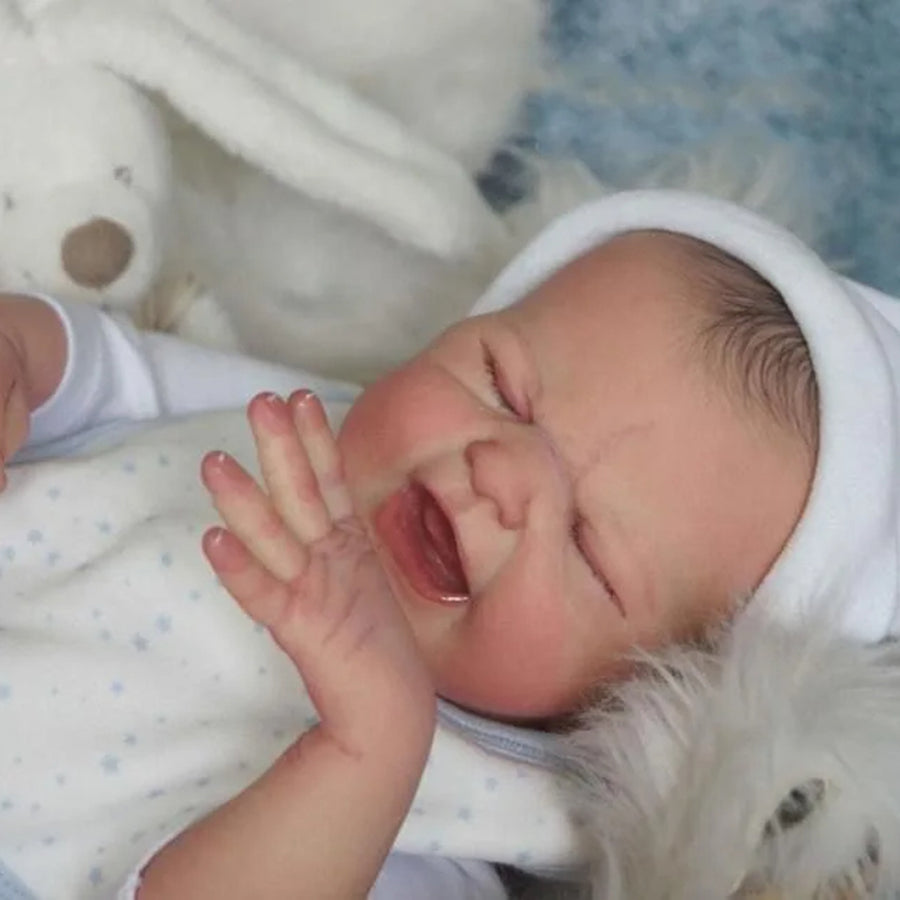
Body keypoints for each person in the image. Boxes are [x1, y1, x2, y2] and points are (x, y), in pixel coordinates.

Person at [1, 188, 899, 898]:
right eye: (504, 387)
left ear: (653, 701)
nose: (501, 473)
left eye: (589, 547)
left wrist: (368, 750)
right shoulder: (318, 431)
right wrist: (27, 353)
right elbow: (115, 376)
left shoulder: (465, 819)